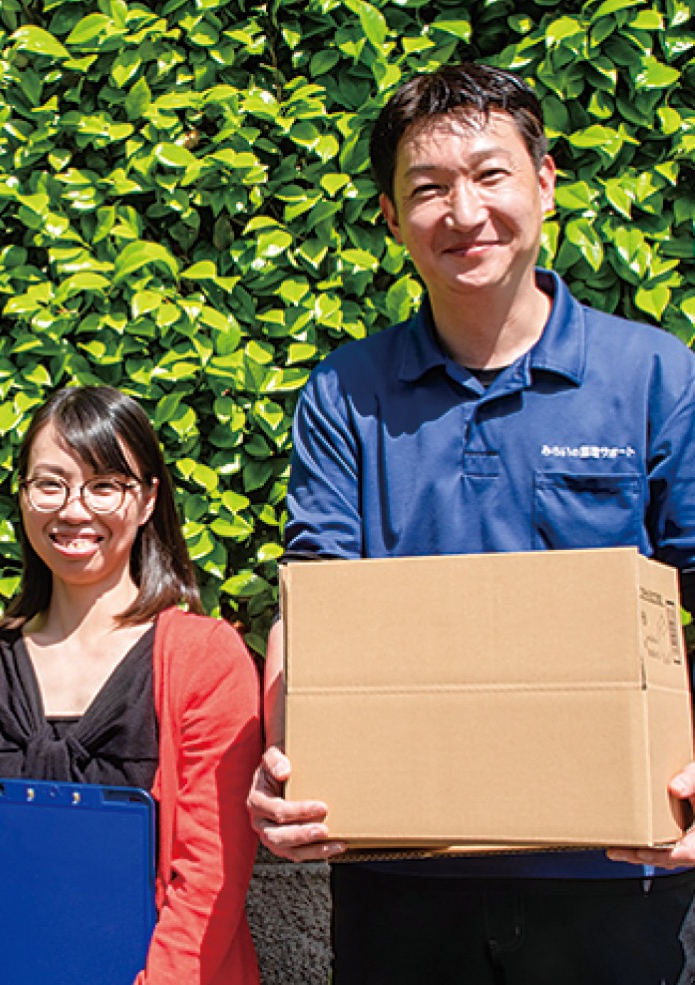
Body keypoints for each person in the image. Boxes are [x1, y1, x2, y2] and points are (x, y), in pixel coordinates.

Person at [248, 63, 695, 983]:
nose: (464, 212)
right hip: (403, 874)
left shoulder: (654, 375)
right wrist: (286, 761)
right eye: (428, 189)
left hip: (616, 871)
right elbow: (313, 599)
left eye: (491, 175)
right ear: (389, 215)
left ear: (546, 181)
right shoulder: (346, 393)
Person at [0, 385, 262, 984]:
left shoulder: (206, 661)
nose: (74, 510)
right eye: (50, 484)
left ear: (147, 499)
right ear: (22, 495)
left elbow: (209, 875)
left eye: (104, 486)